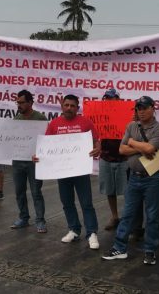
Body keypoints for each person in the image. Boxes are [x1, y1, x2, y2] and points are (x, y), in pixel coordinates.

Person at [102, 96, 159, 265]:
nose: (141, 111)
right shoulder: (131, 125)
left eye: (145, 107)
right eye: (139, 108)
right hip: (134, 178)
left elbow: (150, 148)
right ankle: (119, 247)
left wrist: (131, 141)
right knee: (128, 214)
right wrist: (138, 147)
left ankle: (150, 250)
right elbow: (122, 149)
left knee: (152, 216)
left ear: (153, 108)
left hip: (152, 178)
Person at [36, 94, 100, 249]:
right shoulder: (54, 124)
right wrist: (38, 157)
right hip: (62, 171)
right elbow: (46, 146)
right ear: (62, 106)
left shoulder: (85, 122)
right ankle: (74, 229)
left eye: (72, 105)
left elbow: (96, 140)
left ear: (77, 108)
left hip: (80, 171)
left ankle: (91, 233)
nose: (69, 108)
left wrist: (98, 148)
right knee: (67, 202)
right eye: (66, 105)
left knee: (86, 203)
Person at [8, 90, 47, 232]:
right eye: (18, 102)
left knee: (36, 191)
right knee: (19, 191)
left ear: (30, 103)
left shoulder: (40, 118)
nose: (19, 105)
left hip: (34, 162)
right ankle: (23, 218)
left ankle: (40, 220)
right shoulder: (16, 118)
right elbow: (9, 137)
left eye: (22, 102)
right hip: (18, 160)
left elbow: (46, 140)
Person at [97, 88, 127, 230]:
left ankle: (128, 219)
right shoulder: (99, 114)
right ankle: (115, 217)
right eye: (107, 98)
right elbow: (95, 134)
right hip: (106, 157)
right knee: (110, 190)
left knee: (128, 191)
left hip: (124, 158)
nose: (109, 101)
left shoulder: (128, 114)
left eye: (112, 98)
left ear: (118, 100)